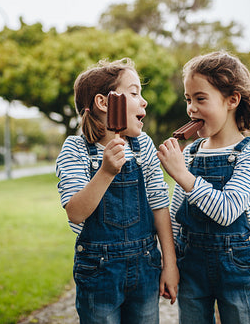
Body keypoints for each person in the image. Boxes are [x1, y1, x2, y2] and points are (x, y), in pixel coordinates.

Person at [56, 58, 179, 324]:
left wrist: (170, 264)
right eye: (134, 93)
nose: (143, 101)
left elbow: (159, 205)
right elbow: (75, 213)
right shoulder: (75, 150)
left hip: (146, 266)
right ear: (104, 103)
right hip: (99, 273)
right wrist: (106, 171)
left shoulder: (142, 145)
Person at [157, 50, 250, 324]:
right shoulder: (191, 152)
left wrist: (183, 176)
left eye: (200, 98)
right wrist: (169, 264)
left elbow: (228, 210)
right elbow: (175, 216)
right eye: (188, 99)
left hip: (235, 265)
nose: (191, 108)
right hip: (191, 263)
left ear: (232, 100)